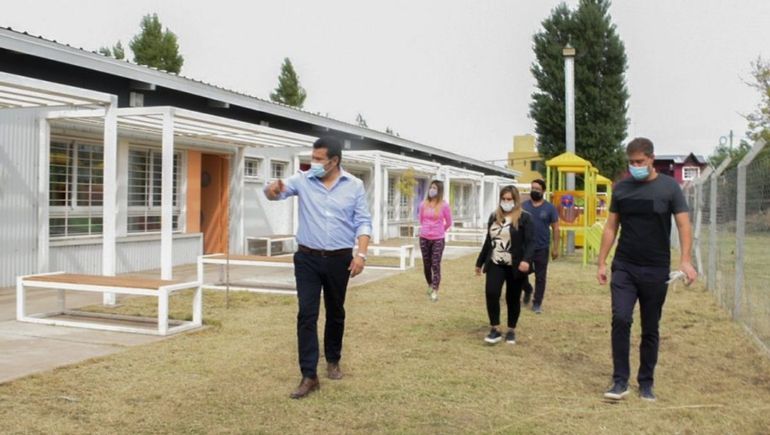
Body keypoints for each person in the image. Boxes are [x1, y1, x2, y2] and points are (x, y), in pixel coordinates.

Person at [264, 136, 372, 399]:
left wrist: (361, 254)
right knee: (307, 313)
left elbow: (363, 221)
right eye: (312, 157)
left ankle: (333, 359)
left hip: (339, 259)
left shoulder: (354, 186)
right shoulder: (302, 180)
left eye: (318, 159)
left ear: (334, 161)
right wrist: (273, 189)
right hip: (307, 259)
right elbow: (273, 193)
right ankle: (309, 375)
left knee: (336, 311)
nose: (313, 162)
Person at [597, 137, 697, 402]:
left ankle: (646, 382)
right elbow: (611, 227)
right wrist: (602, 261)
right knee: (621, 318)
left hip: (655, 269)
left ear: (652, 159)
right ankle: (619, 381)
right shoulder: (621, 189)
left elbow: (684, 225)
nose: (635, 166)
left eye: (640, 162)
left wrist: (685, 260)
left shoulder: (669, 188)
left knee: (650, 327)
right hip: (625, 266)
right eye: (631, 162)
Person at [475, 185, 535, 345]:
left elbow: (531, 243)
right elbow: (489, 241)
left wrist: (526, 261)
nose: (506, 202)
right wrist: (479, 262)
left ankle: (511, 330)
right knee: (491, 292)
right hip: (496, 262)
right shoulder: (494, 217)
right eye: (504, 199)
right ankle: (495, 328)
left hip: (515, 264)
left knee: (512, 298)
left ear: (515, 200)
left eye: (509, 199)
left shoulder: (524, 218)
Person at [521, 179, 560, 314]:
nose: (534, 191)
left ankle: (537, 302)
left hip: (542, 248)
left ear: (543, 191)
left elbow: (555, 228)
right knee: (520, 273)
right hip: (525, 248)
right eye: (532, 188)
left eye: (537, 189)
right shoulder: (524, 206)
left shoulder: (550, 208)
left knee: (540, 277)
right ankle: (527, 289)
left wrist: (555, 247)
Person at [418, 180, 453, 302]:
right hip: (424, 238)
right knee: (426, 264)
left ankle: (435, 290)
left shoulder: (444, 205)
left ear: (440, 191)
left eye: (435, 188)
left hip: (438, 239)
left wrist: (439, 230)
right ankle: (430, 284)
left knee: (435, 264)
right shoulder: (423, 204)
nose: (432, 190)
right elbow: (421, 219)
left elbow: (449, 222)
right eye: (431, 187)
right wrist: (426, 230)